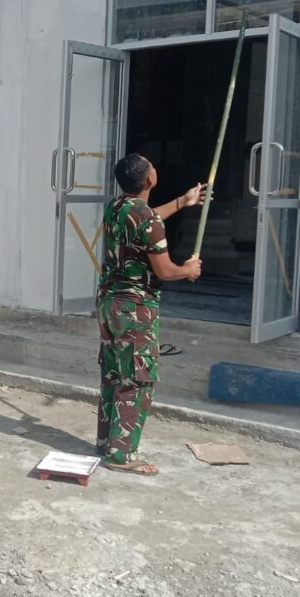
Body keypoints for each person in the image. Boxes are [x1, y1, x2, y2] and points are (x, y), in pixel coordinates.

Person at [96, 153, 205, 475]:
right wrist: (187, 270)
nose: (156, 168)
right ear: (149, 180)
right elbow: (165, 270)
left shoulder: (116, 208)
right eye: (152, 167)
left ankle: (106, 442)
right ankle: (120, 456)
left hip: (109, 303)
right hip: (135, 308)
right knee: (138, 379)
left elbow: (146, 220)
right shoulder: (147, 219)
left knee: (113, 374)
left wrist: (182, 202)